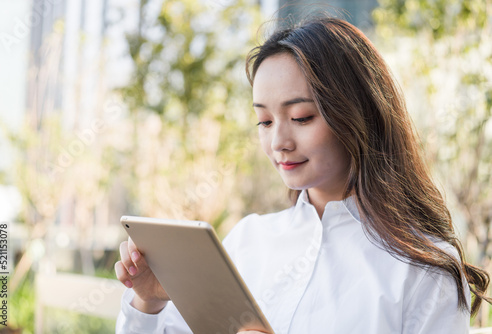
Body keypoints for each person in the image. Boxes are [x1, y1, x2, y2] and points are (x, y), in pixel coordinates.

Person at [114, 15, 491, 333]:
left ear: (357, 113)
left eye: (301, 118)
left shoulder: (422, 269)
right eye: (264, 121)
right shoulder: (247, 242)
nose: (279, 141)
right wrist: (148, 300)